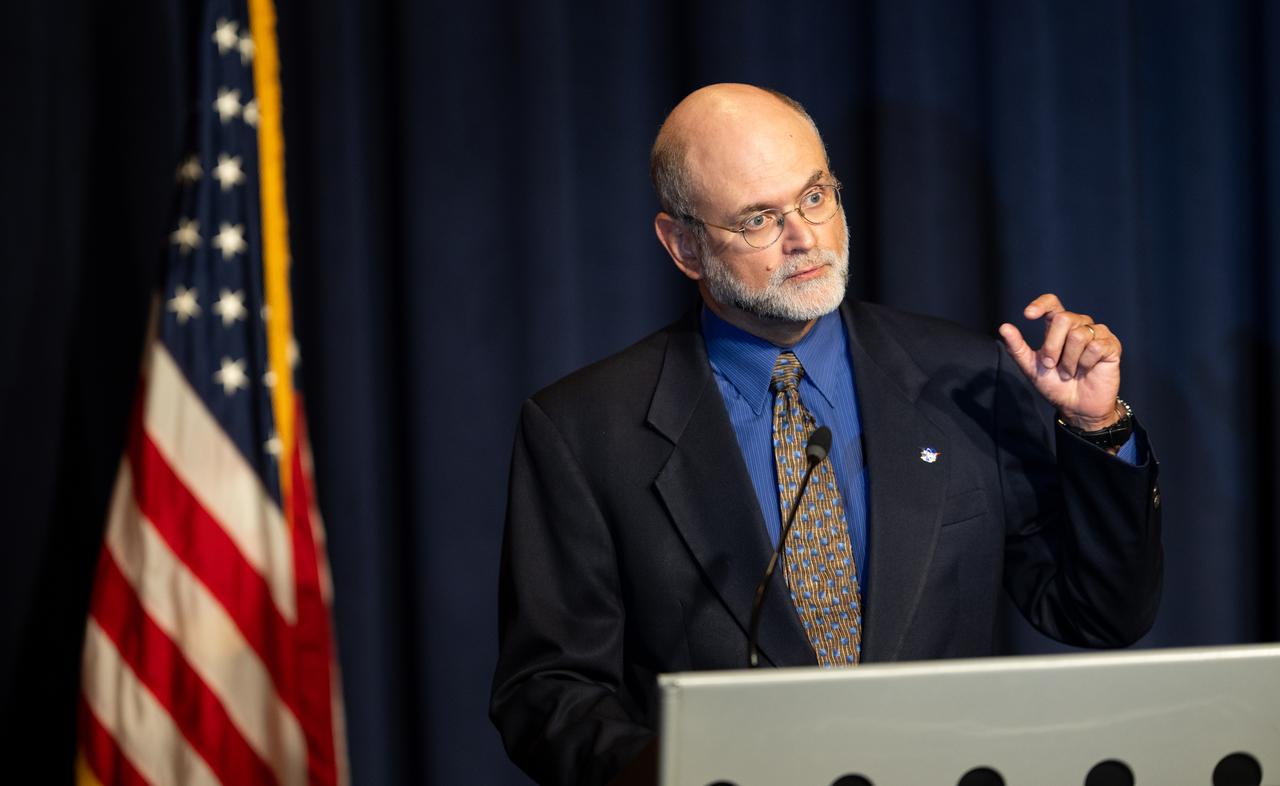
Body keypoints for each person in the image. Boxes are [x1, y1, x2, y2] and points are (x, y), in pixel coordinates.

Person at [490, 83, 1162, 786]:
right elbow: (547, 691)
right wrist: (684, 770)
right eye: (758, 219)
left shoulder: (966, 380)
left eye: (815, 197)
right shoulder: (585, 428)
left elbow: (1099, 614)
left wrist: (1096, 427)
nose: (804, 237)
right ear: (684, 245)